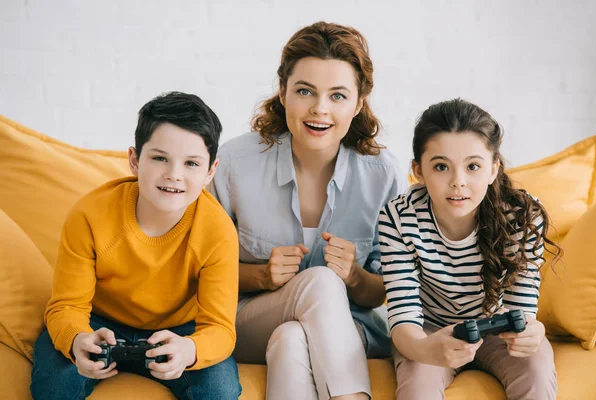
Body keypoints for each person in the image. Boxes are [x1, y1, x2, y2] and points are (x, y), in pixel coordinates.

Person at [209, 21, 407, 400]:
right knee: (320, 281)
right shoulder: (235, 162)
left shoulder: (384, 176)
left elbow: (386, 291)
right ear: (283, 92)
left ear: (359, 102)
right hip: (248, 320)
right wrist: (261, 276)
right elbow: (199, 271)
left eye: (337, 95)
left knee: (292, 338)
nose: (320, 109)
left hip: (350, 327)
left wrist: (353, 276)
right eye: (305, 91)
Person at [30, 92, 242, 400]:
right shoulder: (88, 215)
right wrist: (78, 339)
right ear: (134, 160)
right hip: (96, 323)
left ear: (210, 171)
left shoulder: (218, 232)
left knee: (219, 391)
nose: (174, 174)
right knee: (53, 386)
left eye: (192, 163)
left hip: (179, 331)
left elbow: (221, 329)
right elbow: (66, 306)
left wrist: (190, 350)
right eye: (159, 158)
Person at [379, 98, 562, 400]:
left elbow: (523, 309)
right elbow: (403, 317)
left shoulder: (524, 216)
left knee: (536, 369)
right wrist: (425, 349)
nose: (458, 182)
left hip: (499, 329)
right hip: (430, 331)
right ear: (418, 172)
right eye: (441, 167)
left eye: (473, 166)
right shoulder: (398, 217)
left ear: (493, 170)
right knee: (417, 385)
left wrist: (532, 333)